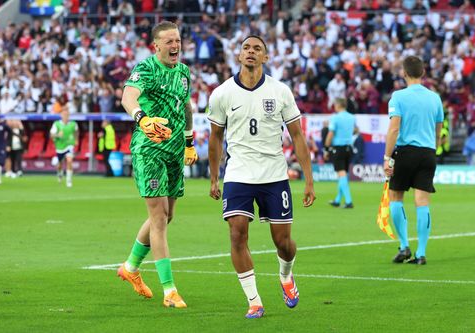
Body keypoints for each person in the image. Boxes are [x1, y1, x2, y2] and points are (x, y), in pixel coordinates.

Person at [208, 35, 316, 319]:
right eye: (246, 48)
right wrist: (213, 178)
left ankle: (286, 276)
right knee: (237, 233)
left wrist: (309, 179)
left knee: (283, 242)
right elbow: (215, 138)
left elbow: (297, 136)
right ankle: (254, 300)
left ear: (266, 58)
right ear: (239, 55)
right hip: (238, 173)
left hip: (274, 175)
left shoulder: (280, 91)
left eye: (257, 49)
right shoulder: (222, 93)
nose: (251, 52)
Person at [118, 21, 198, 309]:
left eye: (177, 40)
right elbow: (128, 97)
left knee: (167, 215)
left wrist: (189, 142)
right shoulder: (146, 68)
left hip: (175, 151)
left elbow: (186, 107)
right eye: (168, 41)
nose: (175, 45)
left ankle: (130, 267)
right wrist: (142, 118)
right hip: (149, 150)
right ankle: (169, 290)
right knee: (159, 218)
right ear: (156, 45)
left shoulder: (185, 72)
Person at [384, 55, 444, 265]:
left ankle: (403, 247)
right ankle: (421, 253)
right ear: (423, 72)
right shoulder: (435, 98)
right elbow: (438, 130)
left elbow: (394, 129)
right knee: (422, 202)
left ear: (404, 73)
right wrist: (433, 149)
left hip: (406, 152)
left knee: (395, 197)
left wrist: (386, 157)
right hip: (428, 152)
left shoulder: (398, 97)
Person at [324, 98, 356, 208]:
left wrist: (326, 148)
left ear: (337, 105)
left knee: (341, 173)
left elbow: (330, 134)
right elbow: (356, 130)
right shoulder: (352, 117)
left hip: (338, 148)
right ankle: (337, 200)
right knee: (343, 174)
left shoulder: (335, 118)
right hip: (349, 148)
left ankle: (348, 201)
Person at [50, 108, 79, 187]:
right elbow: (51, 135)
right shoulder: (56, 124)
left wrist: (76, 139)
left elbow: (76, 131)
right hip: (60, 146)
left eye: (67, 114)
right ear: (61, 115)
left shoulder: (73, 124)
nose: (66, 116)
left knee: (69, 161)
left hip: (69, 145)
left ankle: (69, 180)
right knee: (60, 164)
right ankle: (59, 173)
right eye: (64, 114)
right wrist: (57, 135)